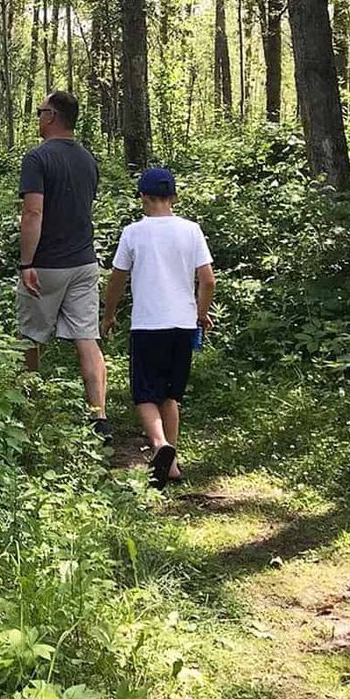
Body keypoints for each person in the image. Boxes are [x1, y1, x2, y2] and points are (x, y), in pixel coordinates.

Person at [101, 167, 215, 489]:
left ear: (142, 198)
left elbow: (117, 281)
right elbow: (207, 280)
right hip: (182, 323)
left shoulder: (133, 233)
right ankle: (173, 465)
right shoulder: (192, 231)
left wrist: (108, 315)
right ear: (174, 197)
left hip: (148, 325)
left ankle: (160, 445)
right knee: (171, 395)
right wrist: (200, 314)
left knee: (144, 394)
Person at [17, 90, 109, 440]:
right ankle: (99, 416)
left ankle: (27, 407)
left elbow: (33, 212)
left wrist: (27, 262)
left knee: (30, 337)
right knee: (87, 339)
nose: (38, 117)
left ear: (52, 116)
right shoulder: (89, 159)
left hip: (47, 265)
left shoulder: (37, 158)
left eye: (40, 111)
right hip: (85, 262)